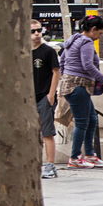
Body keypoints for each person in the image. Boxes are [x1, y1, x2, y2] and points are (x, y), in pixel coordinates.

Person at [58, 15, 103, 168]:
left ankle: (89, 154)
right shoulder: (87, 42)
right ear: (93, 29)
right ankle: (75, 158)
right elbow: (88, 66)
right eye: (100, 33)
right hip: (79, 86)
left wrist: (65, 78)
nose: (100, 37)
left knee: (92, 119)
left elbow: (62, 61)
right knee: (82, 122)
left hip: (71, 85)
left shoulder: (73, 40)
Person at [31, 19, 61, 179]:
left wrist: (51, 94)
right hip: (28, 98)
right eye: (33, 31)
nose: (37, 34)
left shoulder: (48, 51)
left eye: (39, 30)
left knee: (47, 132)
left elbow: (56, 72)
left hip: (44, 96)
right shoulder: (22, 52)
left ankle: (50, 165)